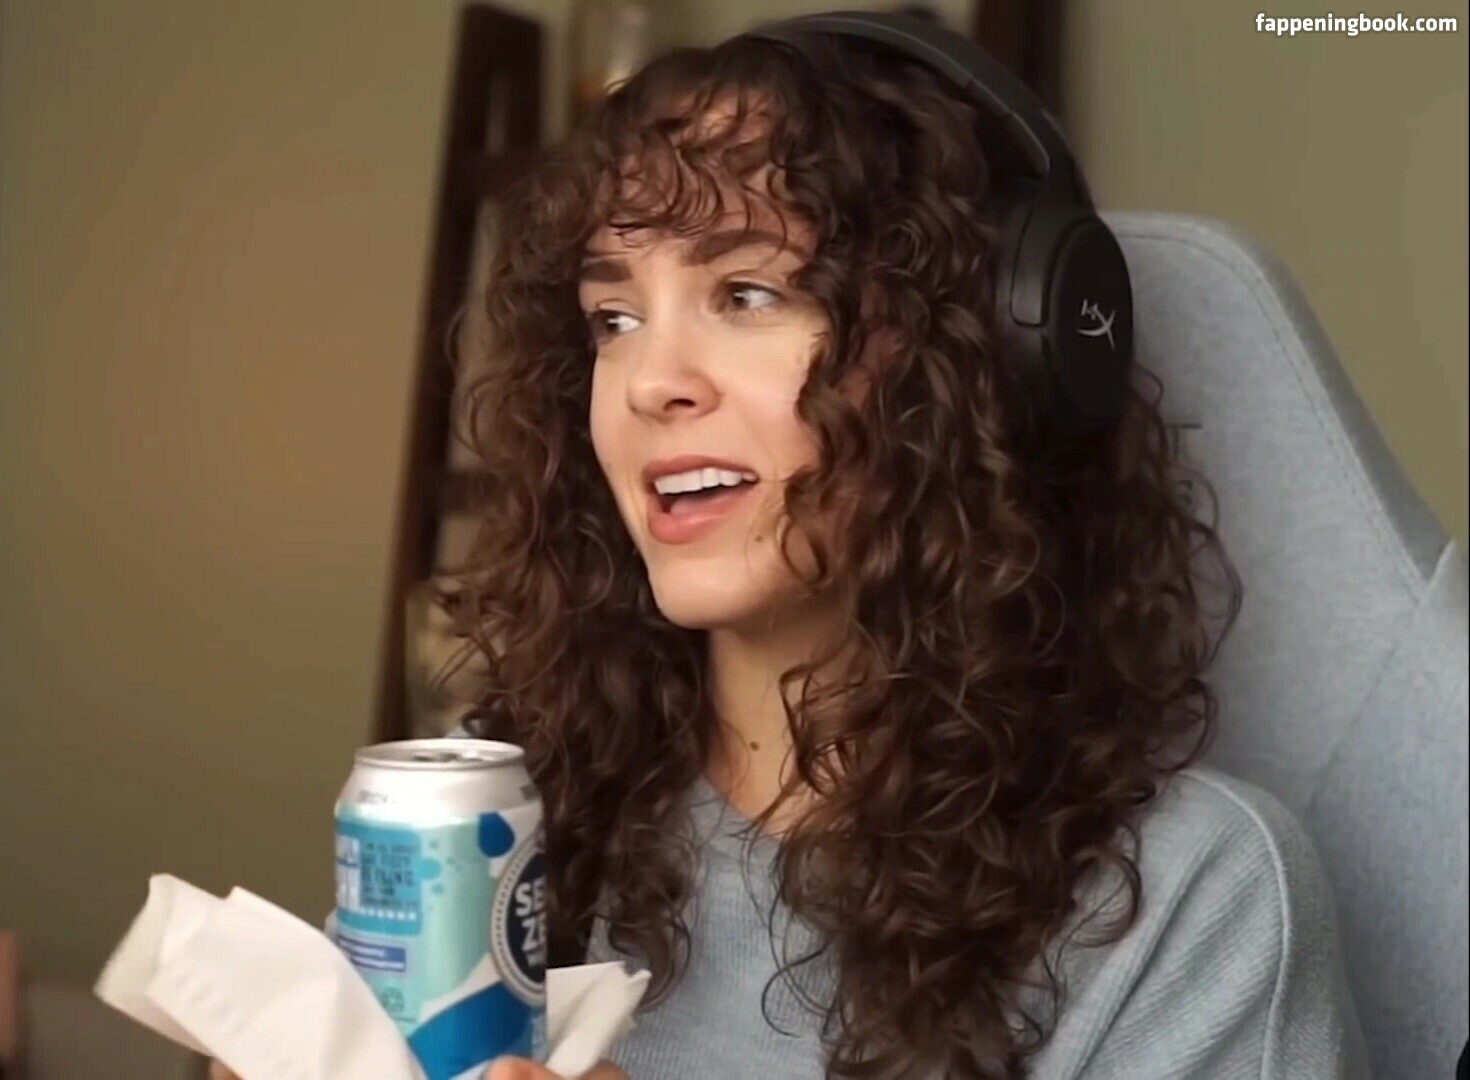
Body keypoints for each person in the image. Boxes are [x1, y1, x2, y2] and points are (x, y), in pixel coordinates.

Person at [223, 11, 1371, 1080]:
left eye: (749, 293)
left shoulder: (1184, 896)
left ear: (968, 362)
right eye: (612, 319)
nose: (651, 382)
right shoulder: (505, 826)